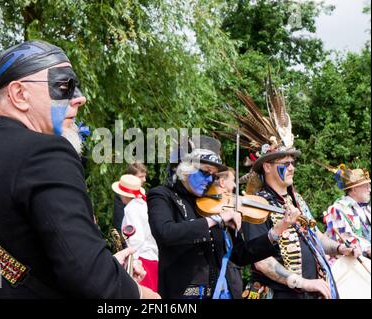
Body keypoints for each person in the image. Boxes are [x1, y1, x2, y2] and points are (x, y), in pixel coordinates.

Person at [0, 40, 159, 299]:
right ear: (19, 94)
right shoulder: (45, 153)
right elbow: (91, 280)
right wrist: (142, 295)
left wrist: (107, 267)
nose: (80, 98)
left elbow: (32, 261)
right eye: (64, 86)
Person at [226, 80, 361, 299]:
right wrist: (304, 283)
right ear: (267, 166)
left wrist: (339, 248)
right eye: (285, 163)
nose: (292, 167)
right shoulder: (256, 204)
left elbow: (315, 237)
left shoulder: (296, 199)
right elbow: (261, 262)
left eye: (292, 162)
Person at [147, 135, 300, 299]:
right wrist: (216, 219)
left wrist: (276, 231)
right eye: (205, 172)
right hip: (185, 294)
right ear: (185, 169)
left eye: (214, 175)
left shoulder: (214, 202)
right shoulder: (162, 195)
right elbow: (165, 232)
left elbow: (240, 255)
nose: (209, 180)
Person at [112, 174, 159, 292]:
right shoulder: (142, 204)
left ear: (123, 194)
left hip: (141, 260)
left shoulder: (131, 209)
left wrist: (132, 261)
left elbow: (136, 238)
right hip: (151, 256)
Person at [322, 164, 371, 259]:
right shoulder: (337, 209)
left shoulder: (366, 208)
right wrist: (368, 248)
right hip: (353, 265)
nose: (369, 189)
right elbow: (345, 239)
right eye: (366, 186)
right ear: (354, 189)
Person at [113, 163, 147, 232]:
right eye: (141, 176)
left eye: (145, 176)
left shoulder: (142, 193)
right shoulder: (122, 196)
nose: (144, 179)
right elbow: (119, 221)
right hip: (130, 236)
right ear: (132, 177)